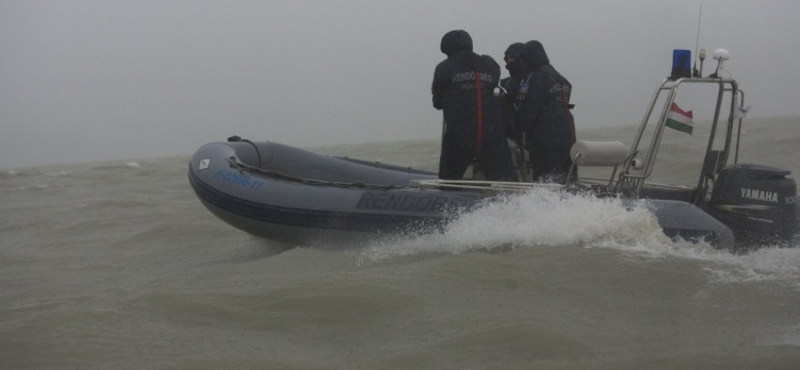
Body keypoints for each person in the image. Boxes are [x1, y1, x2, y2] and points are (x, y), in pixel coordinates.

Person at [431, 30, 517, 181]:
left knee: (449, 182)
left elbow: (437, 103)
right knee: (507, 183)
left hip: (460, 136)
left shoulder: (444, 68)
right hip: (493, 136)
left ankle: (448, 200)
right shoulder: (490, 64)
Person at [511, 40, 577, 183]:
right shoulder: (561, 79)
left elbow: (528, 109)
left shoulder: (534, 77)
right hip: (568, 136)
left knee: (544, 179)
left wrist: (515, 127)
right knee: (568, 178)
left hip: (546, 139)